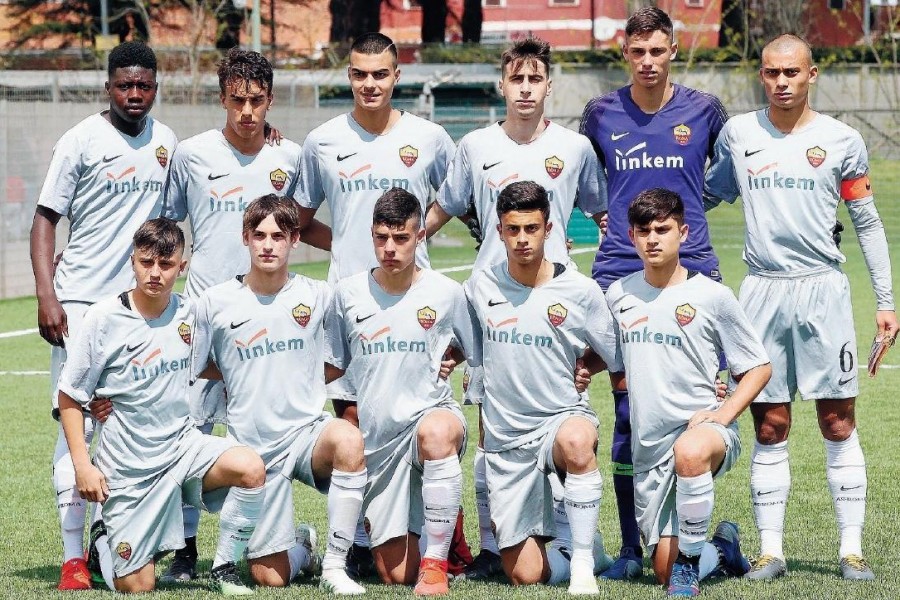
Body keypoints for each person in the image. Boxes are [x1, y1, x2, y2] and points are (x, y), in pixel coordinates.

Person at [704, 33, 898, 581]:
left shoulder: (842, 140)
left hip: (823, 291)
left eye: (792, 72)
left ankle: (851, 551)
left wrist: (886, 302)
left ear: (812, 75)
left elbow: (867, 222)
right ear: (761, 76)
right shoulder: (738, 134)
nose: (782, 82)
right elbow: (707, 194)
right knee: (770, 425)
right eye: (772, 72)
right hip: (762, 291)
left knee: (837, 421)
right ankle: (771, 551)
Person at [425, 36, 608, 582]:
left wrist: (609, 277)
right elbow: (444, 208)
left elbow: (602, 215)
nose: (525, 89)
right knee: (492, 430)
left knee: (565, 425)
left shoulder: (575, 148)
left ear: (549, 86)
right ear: (502, 85)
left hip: (556, 310)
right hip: (492, 305)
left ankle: (576, 542)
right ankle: (491, 546)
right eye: (516, 80)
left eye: (535, 79)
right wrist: (405, 250)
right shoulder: (475, 146)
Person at [296, 31, 463, 574]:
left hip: (416, 309)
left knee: (428, 423)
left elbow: (454, 197)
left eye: (380, 74)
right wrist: (349, 243)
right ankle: (361, 539)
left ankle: (446, 538)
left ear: (397, 77)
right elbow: (299, 218)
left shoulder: (430, 137)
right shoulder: (322, 141)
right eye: (359, 74)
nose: (370, 84)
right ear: (349, 77)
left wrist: (419, 234)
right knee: (355, 425)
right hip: (351, 308)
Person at [578, 6, 728, 580]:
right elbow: (579, 176)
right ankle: (630, 547)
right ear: (625, 54)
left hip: (693, 268)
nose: (647, 61)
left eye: (657, 51)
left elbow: (729, 173)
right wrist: (605, 216)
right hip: (619, 271)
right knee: (625, 410)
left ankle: (694, 539)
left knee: (696, 409)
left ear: (673, 51)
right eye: (637, 52)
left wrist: (687, 220)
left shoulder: (705, 110)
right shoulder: (600, 113)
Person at [29, 40, 178, 591]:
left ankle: (108, 536)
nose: (134, 94)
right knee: (79, 423)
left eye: (144, 85)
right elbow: (45, 219)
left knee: (129, 424)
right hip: (80, 304)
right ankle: (73, 558)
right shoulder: (80, 141)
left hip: (139, 309)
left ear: (155, 88)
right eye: (124, 85)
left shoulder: (166, 141)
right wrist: (48, 295)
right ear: (108, 87)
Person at [56, 218, 266, 595]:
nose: (155, 273)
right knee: (139, 586)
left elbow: (214, 363)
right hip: (129, 469)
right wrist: (83, 466)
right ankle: (103, 538)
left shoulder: (190, 313)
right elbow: (69, 396)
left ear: (181, 267)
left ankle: (224, 567)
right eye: (146, 262)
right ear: (132, 261)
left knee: (250, 467)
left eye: (166, 264)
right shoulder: (103, 319)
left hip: (183, 450)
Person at [161, 47, 305, 584]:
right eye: (237, 99)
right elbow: (167, 226)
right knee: (188, 432)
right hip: (203, 318)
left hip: (267, 322)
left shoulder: (290, 157)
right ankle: (185, 549)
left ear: (270, 100)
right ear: (222, 97)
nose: (247, 111)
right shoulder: (191, 154)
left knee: (260, 434)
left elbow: (303, 221)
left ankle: (268, 541)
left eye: (257, 101)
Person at [191, 194, 368, 594]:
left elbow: (338, 360)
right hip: (254, 449)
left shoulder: (318, 295)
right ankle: (304, 547)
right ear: (245, 238)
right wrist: (242, 369)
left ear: (294, 239)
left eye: (278, 236)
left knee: (348, 439)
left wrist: (299, 374)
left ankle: (335, 568)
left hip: (307, 434)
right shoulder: (214, 303)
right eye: (259, 235)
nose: (268, 245)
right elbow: (198, 364)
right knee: (270, 578)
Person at [606, 188, 770, 597]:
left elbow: (758, 366)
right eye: (644, 231)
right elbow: (607, 355)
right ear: (631, 237)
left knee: (691, 451)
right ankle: (722, 549)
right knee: (661, 568)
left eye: (663, 229)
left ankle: (689, 566)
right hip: (650, 448)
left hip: (704, 433)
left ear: (683, 233)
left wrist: (722, 415)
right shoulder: (619, 294)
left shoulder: (712, 296)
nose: (653, 239)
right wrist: (577, 368)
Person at [465, 181, 620, 595]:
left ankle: (583, 563)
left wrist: (587, 365)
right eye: (513, 229)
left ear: (548, 229)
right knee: (525, 575)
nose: (522, 239)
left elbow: (615, 353)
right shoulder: (480, 286)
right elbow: (466, 342)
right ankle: (585, 549)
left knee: (576, 441)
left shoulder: (580, 290)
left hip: (560, 419)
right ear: (499, 231)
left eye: (531, 228)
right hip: (507, 441)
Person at [325, 188, 479, 596]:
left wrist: (453, 356)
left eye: (401, 237)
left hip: (431, 419)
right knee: (395, 574)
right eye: (381, 238)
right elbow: (331, 365)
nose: (390, 248)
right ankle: (442, 527)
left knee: (436, 433)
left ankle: (437, 564)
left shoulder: (446, 292)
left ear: (420, 237)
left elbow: (476, 347)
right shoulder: (347, 294)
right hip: (380, 443)